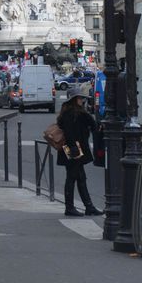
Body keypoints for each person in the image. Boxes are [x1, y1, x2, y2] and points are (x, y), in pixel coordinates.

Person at [56, 86, 103, 217]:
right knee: (72, 177)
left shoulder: (65, 113)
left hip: (69, 148)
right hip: (75, 149)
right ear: (75, 99)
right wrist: (74, 149)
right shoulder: (78, 114)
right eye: (81, 98)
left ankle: (88, 207)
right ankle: (71, 208)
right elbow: (93, 125)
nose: (82, 100)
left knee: (79, 177)